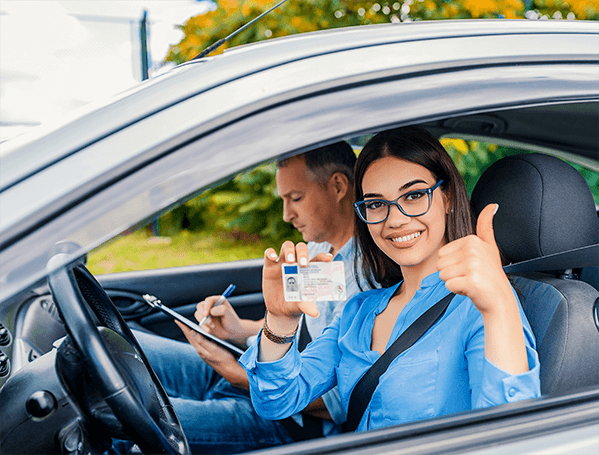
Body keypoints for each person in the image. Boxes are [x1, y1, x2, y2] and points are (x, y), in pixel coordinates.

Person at [240, 126, 541, 432]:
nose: (394, 219)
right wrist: (278, 321)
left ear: (447, 196)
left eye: (413, 195)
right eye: (375, 204)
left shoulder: (482, 307)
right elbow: (276, 401)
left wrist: (500, 304)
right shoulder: (359, 311)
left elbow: (511, 437)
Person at [128, 141, 364, 453]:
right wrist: (239, 330)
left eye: (296, 198)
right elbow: (299, 327)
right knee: (127, 346)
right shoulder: (321, 252)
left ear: (337, 186)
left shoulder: (364, 280)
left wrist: (237, 375)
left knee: (128, 427)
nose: (286, 215)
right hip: (250, 369)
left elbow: (337, 402)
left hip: (286, 421)